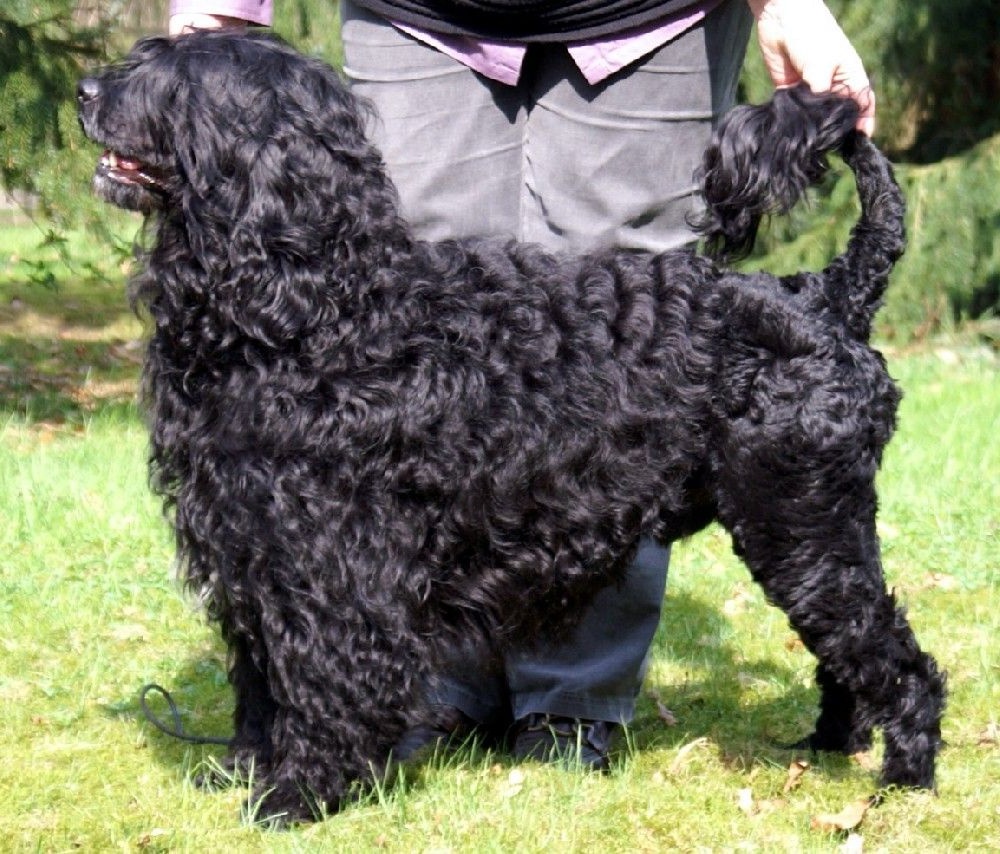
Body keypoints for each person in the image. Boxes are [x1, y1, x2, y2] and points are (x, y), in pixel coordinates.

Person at [167, 0, 874, 769]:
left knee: (626, 337)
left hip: (643, 15)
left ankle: (574, 700)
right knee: (415, 329)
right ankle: (430, 685)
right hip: (419, 13)